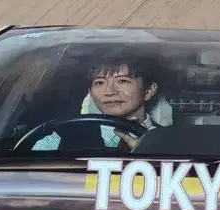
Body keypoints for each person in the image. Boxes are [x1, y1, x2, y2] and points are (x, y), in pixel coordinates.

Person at [33, 54, 170, 152]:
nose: (109, 91)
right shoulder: (66, 135)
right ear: (90, 91)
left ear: (149, 90)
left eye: (122, 81)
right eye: (99, 83)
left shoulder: (170, 140)